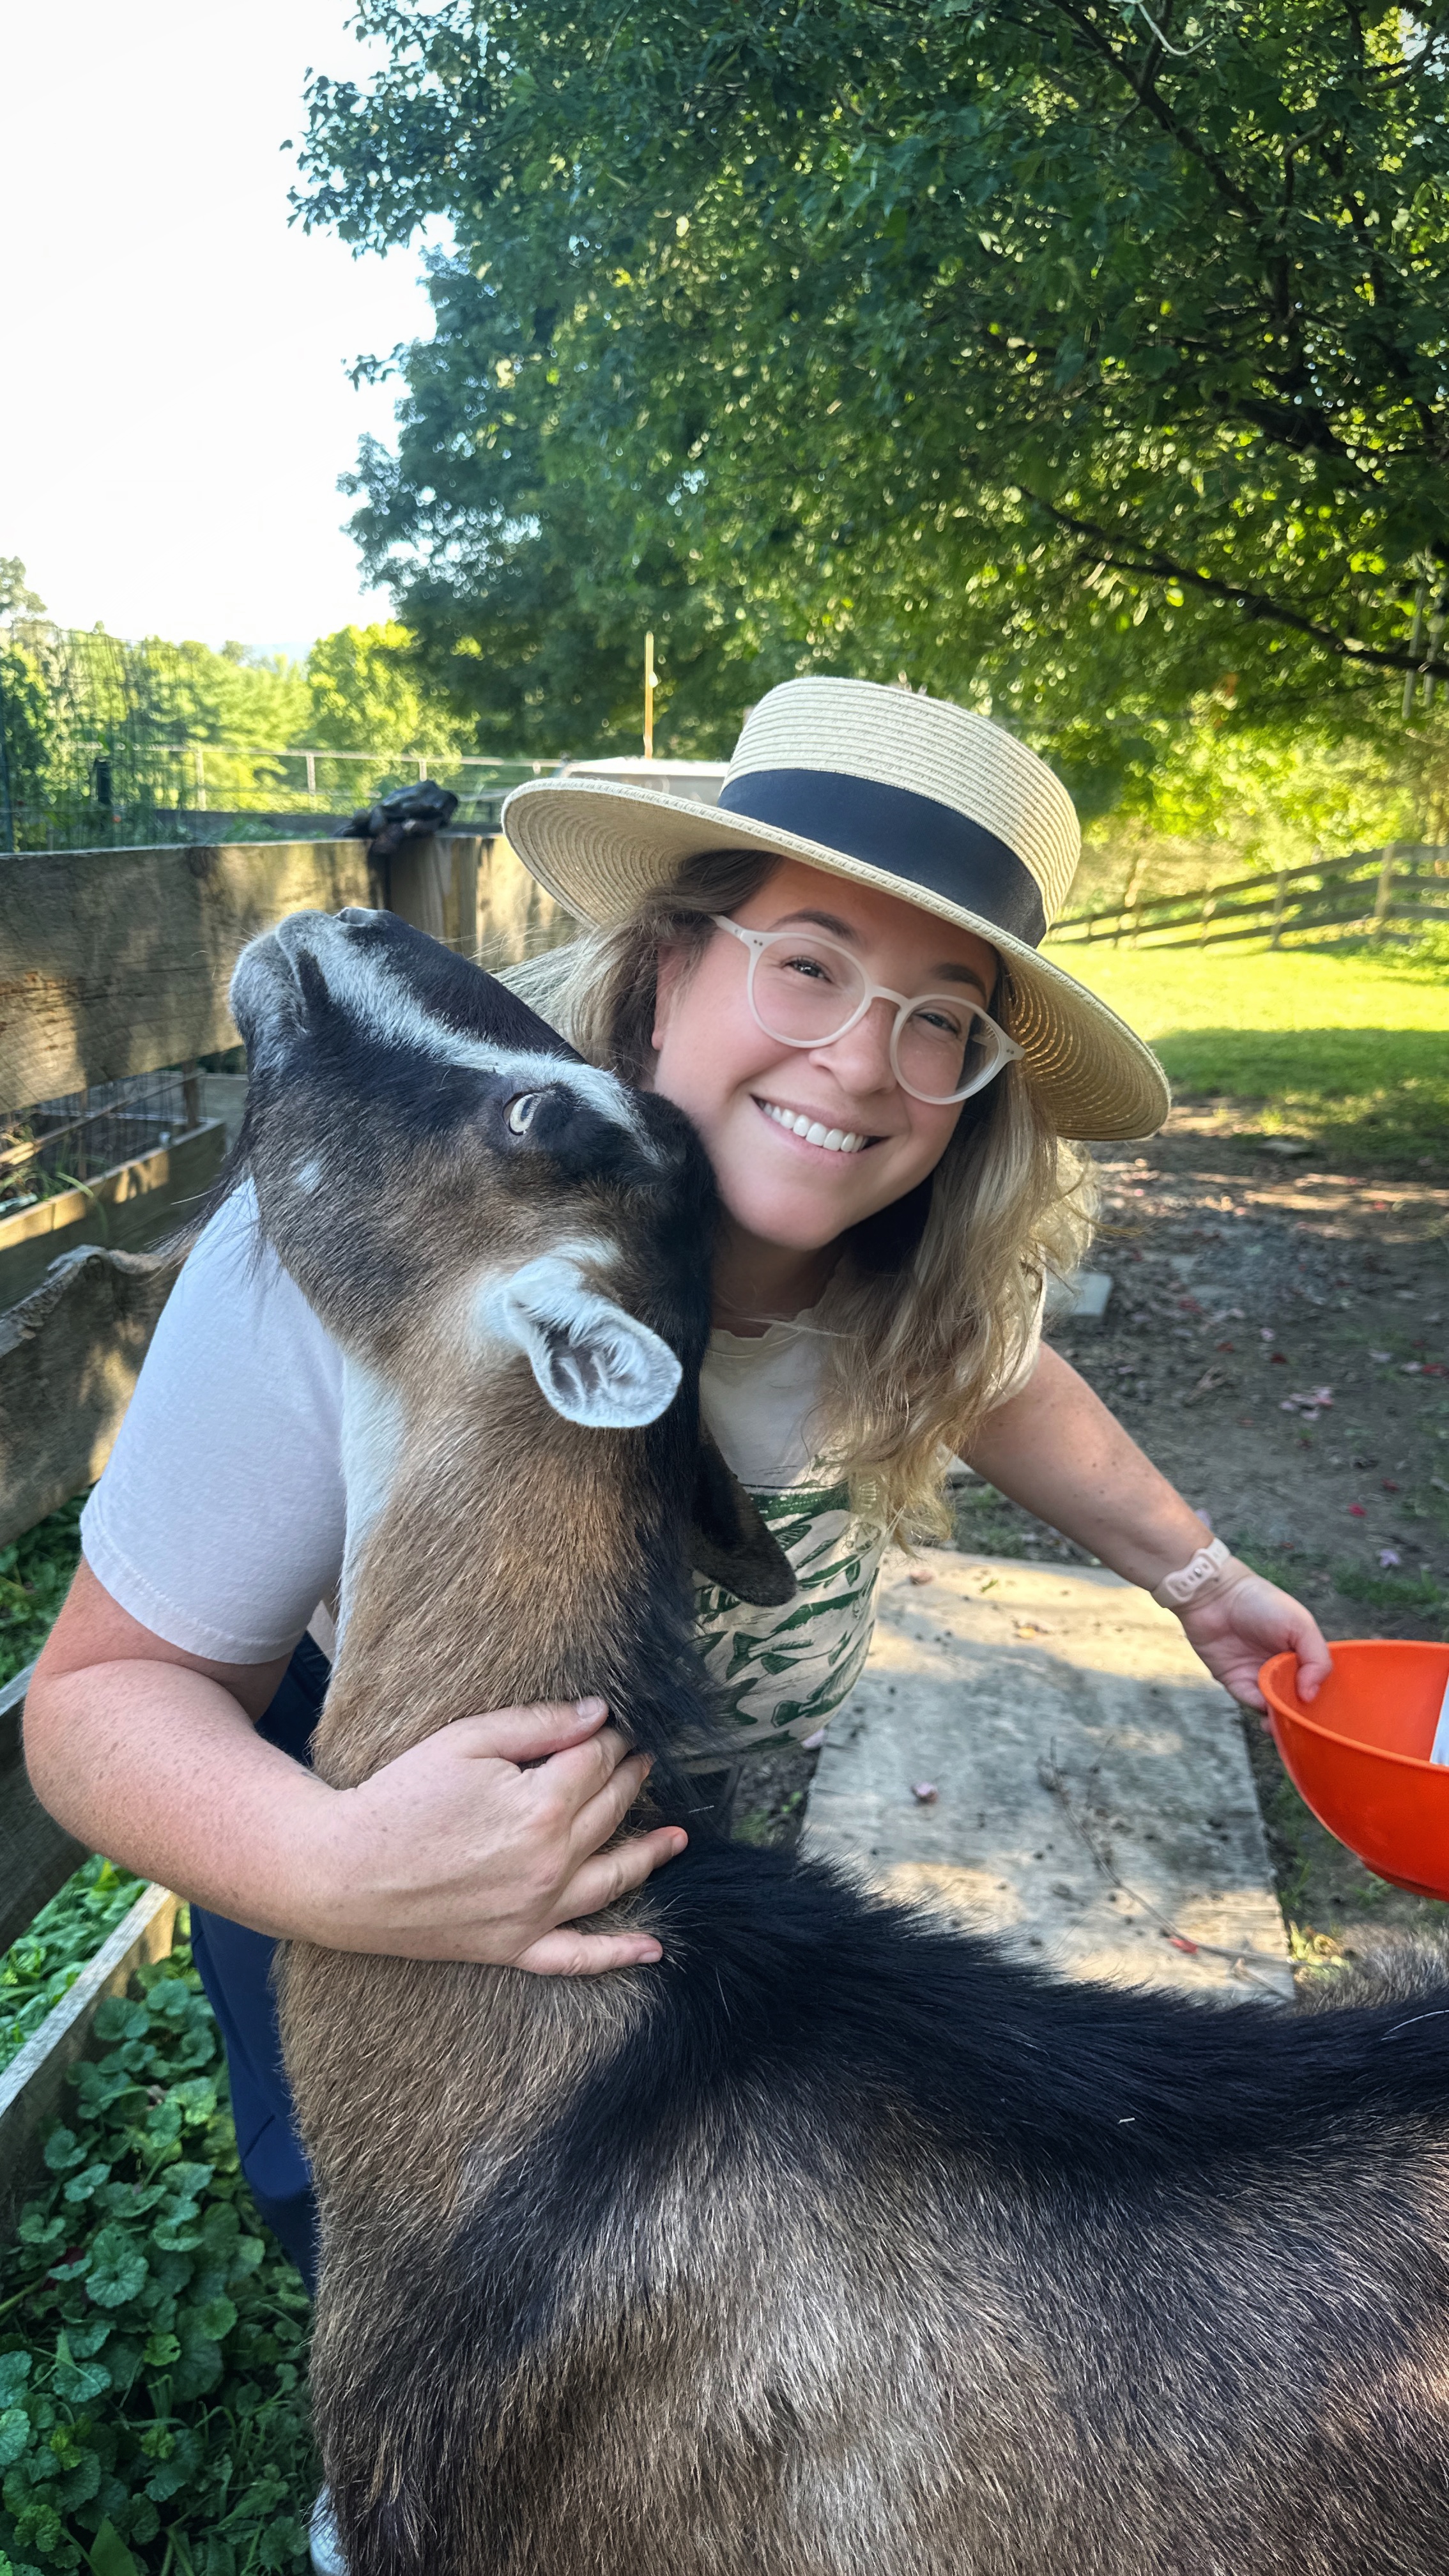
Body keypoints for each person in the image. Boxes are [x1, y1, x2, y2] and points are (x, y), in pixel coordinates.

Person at [26, 678, 1330, 2561]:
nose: (864, 1060)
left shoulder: (901, 1259)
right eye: (805, 964)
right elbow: (101, 1699)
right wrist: (332, 1867)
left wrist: (1196, 1578)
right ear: (665, 965)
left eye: (939, 1020)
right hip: (354, 1827)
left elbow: (1000, 1378)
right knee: (399, 2216)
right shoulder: (391, 1248)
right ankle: (396, 2466)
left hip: (712, 1841)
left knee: (678, 2245)